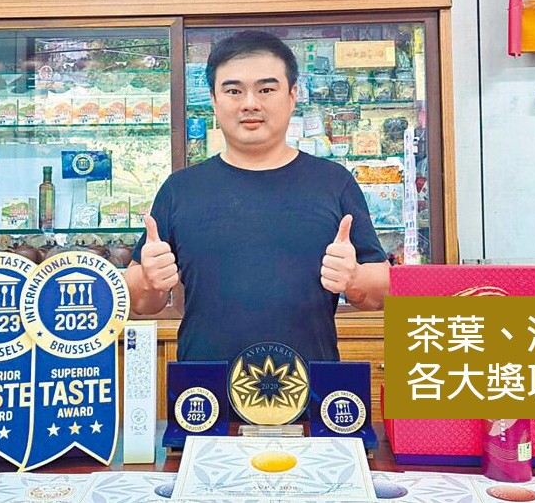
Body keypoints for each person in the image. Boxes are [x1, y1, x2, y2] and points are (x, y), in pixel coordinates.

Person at [128, 30, 390, 363]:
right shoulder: (180, 189)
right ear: (214, 100)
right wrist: (149, 280)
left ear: (292, 96)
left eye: (266, 89)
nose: (250, 103)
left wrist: (353, 278)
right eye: (233, 91)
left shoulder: (333, 182)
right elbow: (140, 303)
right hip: (204, 391)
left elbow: (380, 293)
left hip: (310, 387)